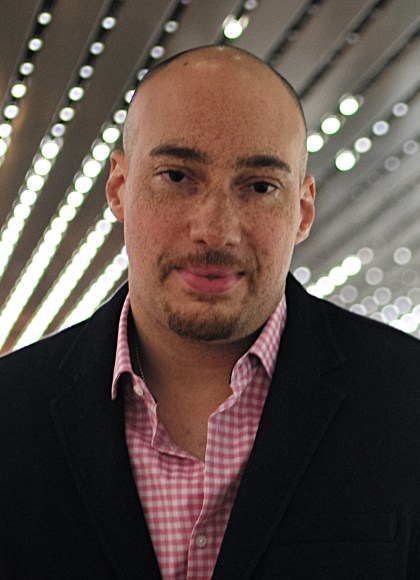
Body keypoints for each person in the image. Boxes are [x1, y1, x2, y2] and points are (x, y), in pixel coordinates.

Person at [0, 45, 420, 580]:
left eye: (260, 186)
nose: (215, 230)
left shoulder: (407, 400)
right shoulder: (10, 413)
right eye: (177, 176)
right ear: (119, 189)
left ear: (302, 210)